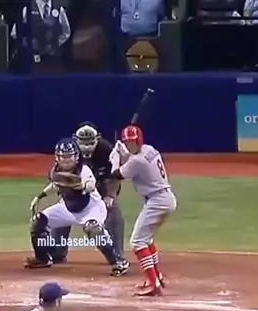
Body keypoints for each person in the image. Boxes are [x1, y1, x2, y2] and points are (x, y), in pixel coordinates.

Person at [25, 138, 128, 277]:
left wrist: (82, 186)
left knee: (93, 229)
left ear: (76, 157)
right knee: (38, 221)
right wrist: (39, 196)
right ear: (57, 157)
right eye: (63, 156)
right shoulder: (55, 171)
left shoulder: (83, 170)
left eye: (70, 156)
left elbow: (91, 184)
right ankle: (42, 258)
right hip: (67, 208)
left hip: (92, 209)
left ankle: (118, 261)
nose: (66, 160)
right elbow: (55, 185)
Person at [50, 122, 129, 274]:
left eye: (90, 142)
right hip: (77, 188)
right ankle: (57, 253)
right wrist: (65, 190)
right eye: (83, 142)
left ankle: (117, 254)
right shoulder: (69, 151)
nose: (86, 146)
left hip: (101, 186)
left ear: (97, 139)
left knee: (112, 210)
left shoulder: (107, 150)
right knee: (62, 210)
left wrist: (110, 195)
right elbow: (58, 173)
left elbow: (114, 177)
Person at [110, 125, 177, 296]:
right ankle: (157, 277)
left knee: (138, 242)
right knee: (146, 240)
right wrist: (124, 153)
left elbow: (117, 174)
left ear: (139, 140)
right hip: (165, 198)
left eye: (132, 142)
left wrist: (115, 157)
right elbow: (134, 159)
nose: (130, 145)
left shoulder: (136, 161)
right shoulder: (149, 149)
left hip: (157, 201)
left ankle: (154, 285)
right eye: (127, 143)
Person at [11, 0, 71, 73]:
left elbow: (66, 32)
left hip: (53, 61)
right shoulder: (28, 9)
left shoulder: (59, 8)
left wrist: (55, 43)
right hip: (33, 60)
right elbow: (15, 33)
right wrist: (28, 43)